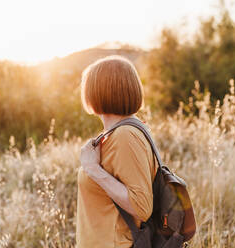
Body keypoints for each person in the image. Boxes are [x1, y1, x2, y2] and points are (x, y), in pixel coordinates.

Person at [76, 55, 158, 248]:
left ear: (97, 92)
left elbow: (141, 207)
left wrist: (92, 169)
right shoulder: (118, 134)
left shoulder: (125, 136)